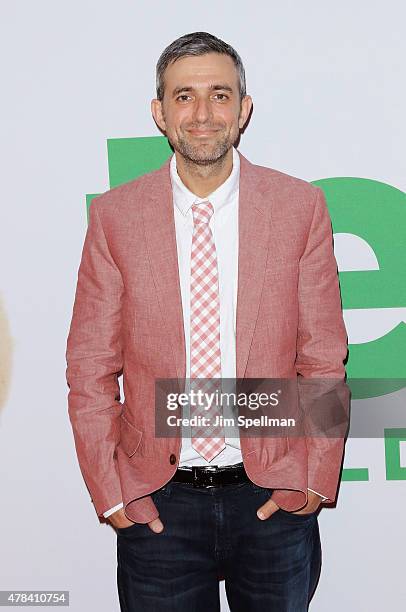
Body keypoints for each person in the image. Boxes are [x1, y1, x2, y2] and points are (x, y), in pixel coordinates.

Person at [65, 31, 350, 612]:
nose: (202, 114)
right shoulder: (115, 217)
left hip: (272, 496)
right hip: (159, 504)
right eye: (184, 96)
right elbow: (90, 368)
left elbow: (323, 357)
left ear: (243, 110)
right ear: (159, 112)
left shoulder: (299, 208)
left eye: (220, 95)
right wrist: (112, 489)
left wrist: (314, 477)